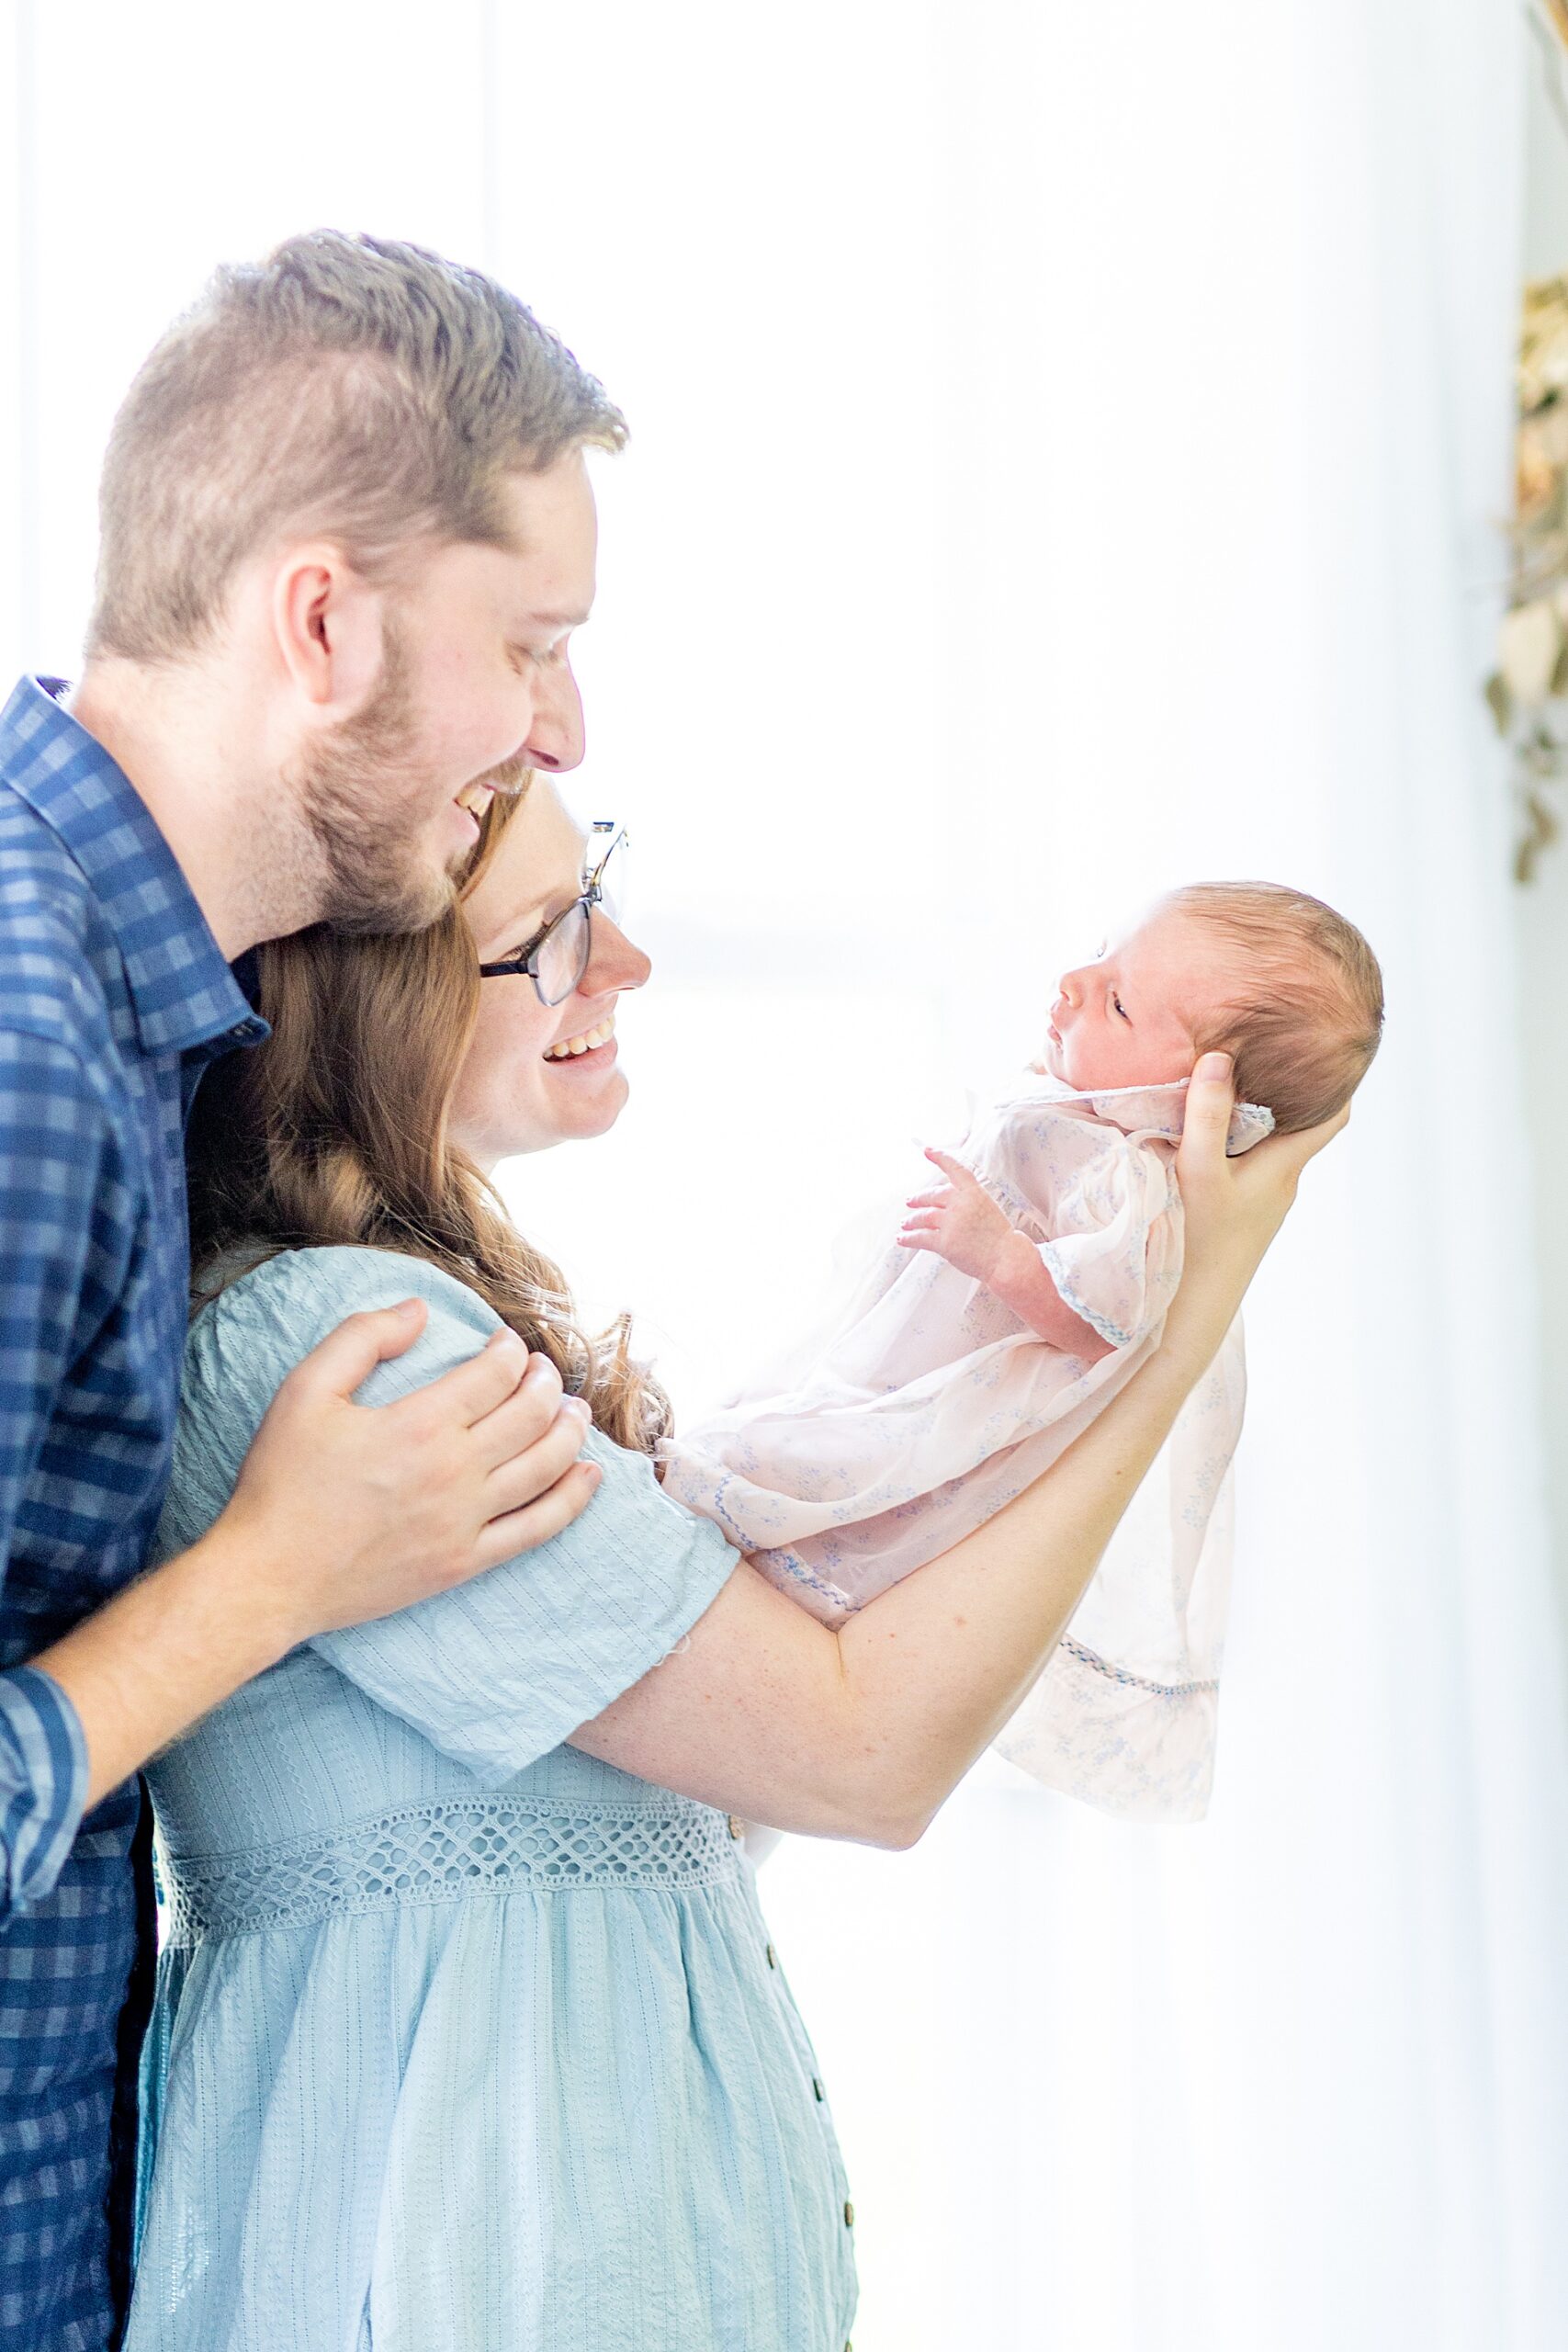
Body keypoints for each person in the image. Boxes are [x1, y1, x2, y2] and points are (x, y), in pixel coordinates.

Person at [128, 780, 1345, 2351]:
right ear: (382, 1001)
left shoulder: (432, 1321)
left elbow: (713, 1795)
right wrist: (1165, 1334)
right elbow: (858, 1758)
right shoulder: (353, 1351)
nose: (625, 960)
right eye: (553, 935)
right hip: (476, 2257)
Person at [0, 232, 636, 2349]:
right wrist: (278, 1571)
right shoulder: (20, 1038)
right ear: (321, 622)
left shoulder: (124, 1018)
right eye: (529, 643)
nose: (558, 723)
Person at [660, 882, 1383, 1820]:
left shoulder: (1135, 1179)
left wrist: (1002, 1253)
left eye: (1119, 1001)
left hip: (952, 1400)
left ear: (1203, 1102)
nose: (1076, 983)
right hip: (901, 1359)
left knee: (815, 1464)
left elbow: (1107, 1321)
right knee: (797, 1425)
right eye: (1100, 957)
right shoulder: (1080, 1124)